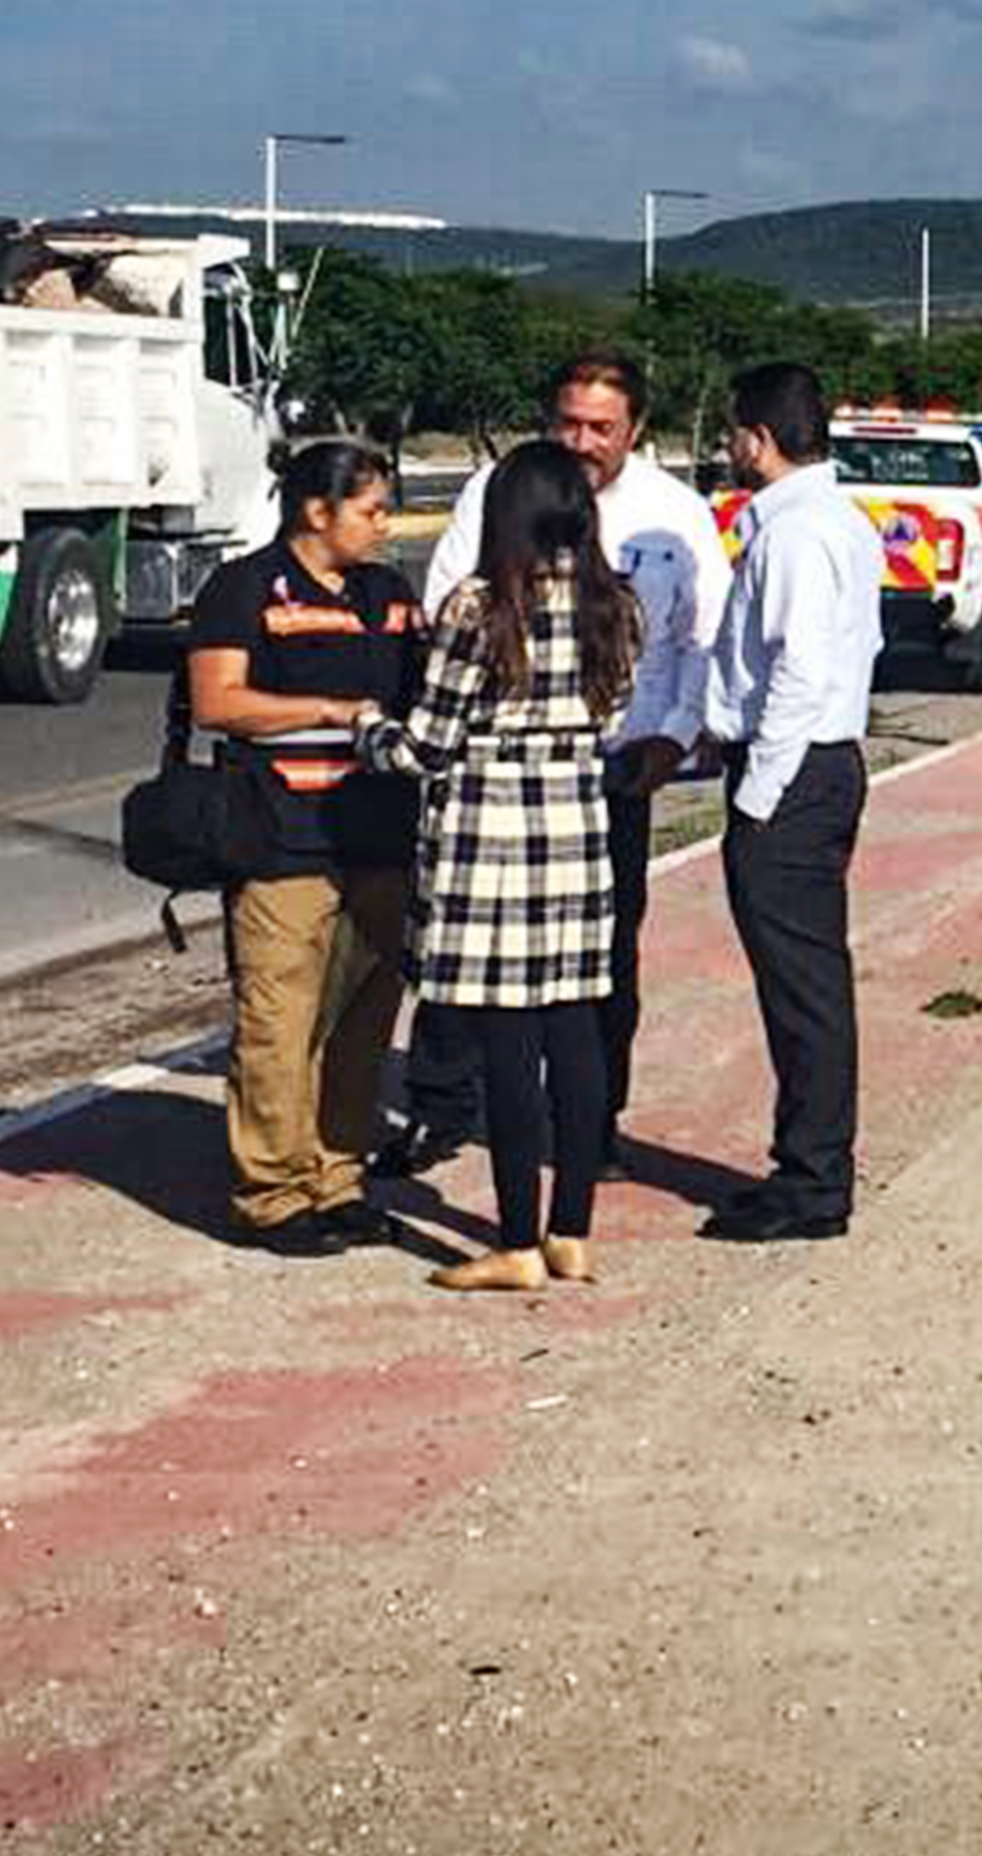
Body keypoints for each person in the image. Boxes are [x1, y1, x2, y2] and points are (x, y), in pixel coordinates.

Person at [396, 351, 726, 1162]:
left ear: (636, 431)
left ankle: (589, 1124)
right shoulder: (495, 490)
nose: (582, 441)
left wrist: (673, 736)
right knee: (460, 940)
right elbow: (447, 608)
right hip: (490, 777)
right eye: (568, 423)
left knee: (602, 960)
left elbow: (702, 638)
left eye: (601, 428)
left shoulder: (675, 513)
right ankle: (442, 1105)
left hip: (612, 769)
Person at [364, 444, 638, 1291]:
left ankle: (515, 1241)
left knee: (509, 1046)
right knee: (576, 1035)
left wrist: (368, 726)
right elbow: (616, 717)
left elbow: (427, 747)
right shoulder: (615, 605)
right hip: (577, 834)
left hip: (489, 840)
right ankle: (573, 1230)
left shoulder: (480, 608)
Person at [183, 440, 423, 1255]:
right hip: (283, 837)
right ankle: (273, 1194)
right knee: (279, 1022)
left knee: (362, 1019)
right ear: (317, 512)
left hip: (380, 837)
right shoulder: (245, 588)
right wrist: (329, 709)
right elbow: (218, 701)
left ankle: (337, 1175)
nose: (384, 525)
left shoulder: (389, 595)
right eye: (371, 510)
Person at [700, 362, 883, 1245]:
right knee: (804, 987)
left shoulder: (795, 534)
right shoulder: (832, 520)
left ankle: (814, 1183)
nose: (728, 448)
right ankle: (803, 1167)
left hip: (795, 776)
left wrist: (760, 797)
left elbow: (800, 672)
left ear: (759, 440)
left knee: (804, 991)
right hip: (815, 767)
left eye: (733, 432)